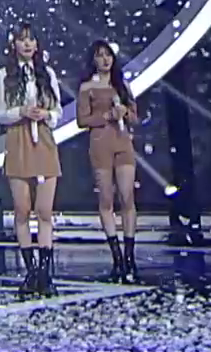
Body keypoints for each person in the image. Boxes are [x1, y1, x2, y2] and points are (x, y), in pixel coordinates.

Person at [0, 21, 62, 297]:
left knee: (44, 211)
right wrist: (21, 111)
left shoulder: (47, 74)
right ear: (14, 45)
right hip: (18, 139)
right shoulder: (4, 75)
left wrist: (45, 114)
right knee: (22, 210)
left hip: (43, 139)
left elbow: (57, 113)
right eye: (22, 40)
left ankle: (45, 274)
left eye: (31, 39)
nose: (27, 44)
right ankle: (31, 272)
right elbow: (0, 114)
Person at [77, 40, 139, 283]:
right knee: (106, 199)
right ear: (93, 60)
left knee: (127, 197)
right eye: (100, 55)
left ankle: (130, 255)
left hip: (123, 143)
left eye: (108, 55)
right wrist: (106, 116)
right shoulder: (87, 88)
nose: (105, 60)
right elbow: (82, 120)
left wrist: (125, 113)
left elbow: (135, 117)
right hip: (100, 144)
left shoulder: (122, 85)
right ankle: (117, 257)